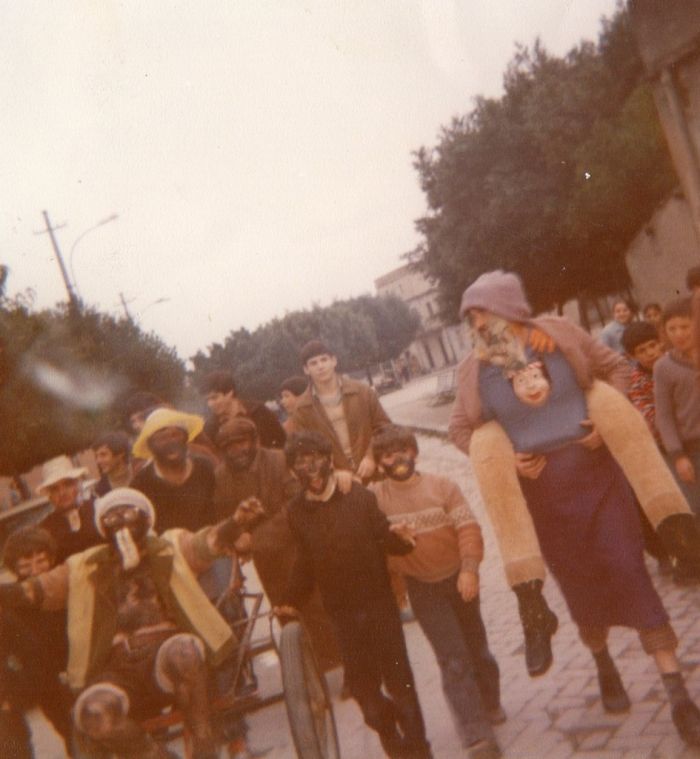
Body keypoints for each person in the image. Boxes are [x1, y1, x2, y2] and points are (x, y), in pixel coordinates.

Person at [450, 270, 700, 745]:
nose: (477, 327)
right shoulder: (474, 370)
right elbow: (461, 431)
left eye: (481, 315)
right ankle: (604, 663)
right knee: (581, 585)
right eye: (471, 320)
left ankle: (678, 693)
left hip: (598, 479)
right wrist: (508, 459)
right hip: (544, 499)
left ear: (508, 309)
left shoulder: (561, 336)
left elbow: (618, 370)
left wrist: (607, 423)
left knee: (630, 568)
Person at [0, 487, 265, 759]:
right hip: (117, 667)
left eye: (127, 512)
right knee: (92, 712)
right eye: (111, 516)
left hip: (166, 653)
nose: (120, 521)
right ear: (102, 525)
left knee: (185, 651)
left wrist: (236, 523)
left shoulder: (169, 546)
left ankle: (203, 747)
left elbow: (207, 542)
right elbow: (34, 590)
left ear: (144, 519)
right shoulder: (84, 566)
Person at [276, 431, 431, 759]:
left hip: (379, 606)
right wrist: (289, 599)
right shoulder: (296, 512)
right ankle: (388, 729)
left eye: (315, 460)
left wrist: (401, 540)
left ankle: (418, 749)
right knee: (366, 696)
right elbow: (305, 559)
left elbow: (383, 535)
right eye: (300, 464)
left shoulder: (359, 498)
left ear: (329, 461)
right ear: (292, 473)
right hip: (341, 615)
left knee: (400, 682)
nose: (310, 469)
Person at [370, 426, 502, 759]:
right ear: (378, 462)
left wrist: (470, 569)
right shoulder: (375, 498)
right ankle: (476, 735)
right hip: (422, 587)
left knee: (477, 649)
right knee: (453, 658)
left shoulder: (443, 486)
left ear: (414, 452)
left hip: (459, 579)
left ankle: (491, 699)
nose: (397, 459)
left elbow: (468, 527)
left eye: (403, 451)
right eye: (387, 455)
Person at [213, 417, 340, 671]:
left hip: (303, 545)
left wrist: (255, 539)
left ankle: (348, 662)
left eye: (241, 442)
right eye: (228, 446)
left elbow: (299, 505)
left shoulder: (281, 461)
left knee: (321, 604)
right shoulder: (220, 477)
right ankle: (315, 664)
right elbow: (223, 515)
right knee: (286, 608)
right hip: (268, 559)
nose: (236, 450)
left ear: (255, 440)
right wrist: (235, 533)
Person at [0, 527, 72, 756]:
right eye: (25, 566)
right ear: (14, 569)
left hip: (75, 668)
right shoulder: (10, 602)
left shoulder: (66, 586)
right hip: (41, 678)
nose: (35, 571)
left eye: (41, 561)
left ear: (51, 558)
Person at [289, 340, 391, 487]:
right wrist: (333, 471)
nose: (320, 366)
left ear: (334, 361)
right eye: (313, 363)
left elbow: (384, 427)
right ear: (306, 369)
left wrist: (371, 457)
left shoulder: (362, 392)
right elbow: (305, 451)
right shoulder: (302, 409)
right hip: (336, 483)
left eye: (324, 359)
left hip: (374, 473)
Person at [620, 321, 675, 578]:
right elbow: (647, 414)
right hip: (660, 446)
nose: (651, 353)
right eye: (643, 350)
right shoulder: (638, 380)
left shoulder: (676, 363)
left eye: (654, 346)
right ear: (632, 356)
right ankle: (667, 552)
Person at [130, 408, 217, 533]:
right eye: (161, 438)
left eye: (175, 435)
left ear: (186, 438)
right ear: (151, 446)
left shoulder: (205, 468)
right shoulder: (141, 484)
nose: (170, 442)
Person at [654, 298, 700, 516]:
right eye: (672, 328)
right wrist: (678, 456)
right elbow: (664, 416)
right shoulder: (663, 367)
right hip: (693, 449)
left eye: (685, 326)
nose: (679, 334)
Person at [36, 455, 103, 563]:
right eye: (55, 489)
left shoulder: (99, 508)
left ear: (77, 485)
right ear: (49, 495)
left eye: (67, 484)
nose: (62, 493)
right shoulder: (45, 530)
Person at [200, 370, 286, 450]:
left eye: (214, 398)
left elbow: (281, 439)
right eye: (207, 400)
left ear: (230, 393)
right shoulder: (211, 426)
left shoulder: (259, 411)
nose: (210, 404)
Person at [92, 430, 133, 496]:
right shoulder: (100, 490)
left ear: (120, 454)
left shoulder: (140, 474)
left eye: (103, 454)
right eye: (96, 456)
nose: (98, 461)